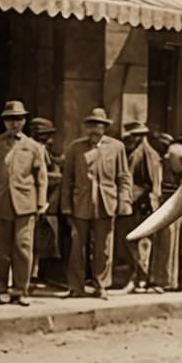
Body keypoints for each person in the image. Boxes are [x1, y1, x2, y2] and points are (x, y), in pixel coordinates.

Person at [0, 100, 48, 306]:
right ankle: (1, 290)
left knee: (23, 248)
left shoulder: (33, 146)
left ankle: (21, 290)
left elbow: (41, 176)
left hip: (26, 204)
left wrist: (40, 203)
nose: (14, 123)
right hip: (0, 204)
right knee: (2, 250)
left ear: (24, 121)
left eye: (18, 119)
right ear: (4, 122)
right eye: (9, 119)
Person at [60, 107, 132, 299]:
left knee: (104, 248)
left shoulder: (117, 148)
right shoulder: (75, 148)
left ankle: (101, 286)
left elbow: (124, 177)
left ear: (104, 127)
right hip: (80, 204)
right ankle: (76, 287)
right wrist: (66, 206)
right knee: (78, 248)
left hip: (107, 203)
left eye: (98, 125)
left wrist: (123, 200)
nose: (94, 129)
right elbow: (67, 179)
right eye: (90, 125)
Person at [118, 121, 162, 293]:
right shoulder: (140, 153)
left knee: (141, 242)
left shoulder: (145, 154)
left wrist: (130, 198)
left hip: (142, 203)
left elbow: (151, 184)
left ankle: (141, 278)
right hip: (141, 201)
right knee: (136, 242)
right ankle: (138, 277)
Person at [151, 141, 182, 291]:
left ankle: (167, 280)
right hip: (167, 206)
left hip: (172, 208)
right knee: (166, 241)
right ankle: (165, 278)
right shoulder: (169, 170)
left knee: (170, 241)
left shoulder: (181, 174)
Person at [30, 117, 62, 285]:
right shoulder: (36, 150)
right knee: (37, 240)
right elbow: (43, 176)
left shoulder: (45, 150)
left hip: (49, 202)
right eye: (45, 135)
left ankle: (38, 274)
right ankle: (34, 275)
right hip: (41, 201)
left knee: (45, 240)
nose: (49, 139)